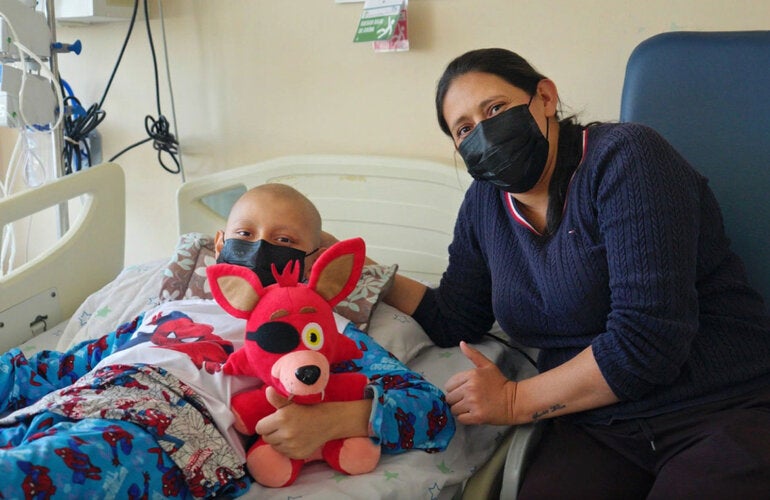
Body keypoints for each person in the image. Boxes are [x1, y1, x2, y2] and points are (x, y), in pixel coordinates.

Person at [325, 48, 770, 498]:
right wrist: (357, 268)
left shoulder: (627, 158)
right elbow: (455, 318)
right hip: (599, 426)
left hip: (720, 407)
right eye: (464, 129)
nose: (484, 133)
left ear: (545, 97)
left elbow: (647, 343)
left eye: (495, 108)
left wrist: (515, 401)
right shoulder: (483, 205)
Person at [0, 183, 455, 498]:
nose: (259, 246)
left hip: (156, 436)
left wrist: (339, 419)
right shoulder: (165, 312)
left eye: (283, 238)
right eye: (244, 234)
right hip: (67, 406)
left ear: (311, 260)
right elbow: (55, 371)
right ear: (219, 246)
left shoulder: (320, 332)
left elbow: (429, 410)